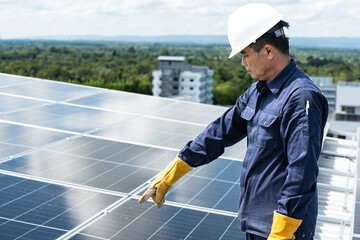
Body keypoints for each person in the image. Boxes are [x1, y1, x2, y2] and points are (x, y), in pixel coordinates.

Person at [139, 3, 328, 240]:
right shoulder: (258, 92)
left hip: (284, 232)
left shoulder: (301, 98)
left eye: (246, 54)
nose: (243, 63)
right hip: (258, 226)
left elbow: (302, 172)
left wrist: (282, 233)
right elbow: (218, 133)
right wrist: (172, 173)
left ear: (268, 51)